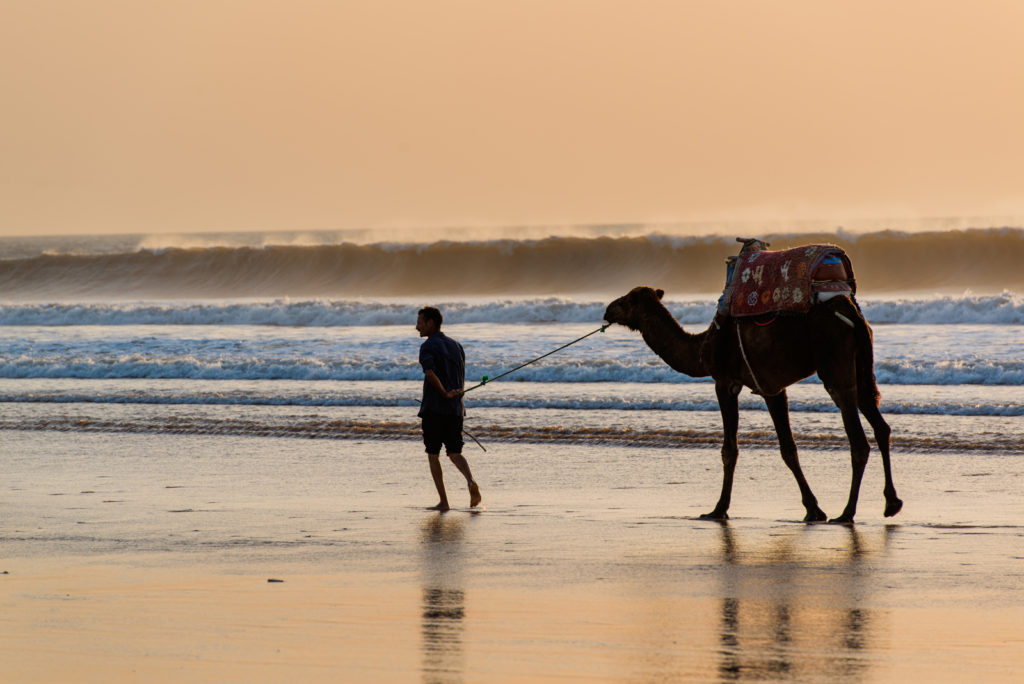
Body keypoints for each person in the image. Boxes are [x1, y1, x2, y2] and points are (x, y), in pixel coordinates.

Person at [416, 306, 482, 511]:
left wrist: (444, 393)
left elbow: (430, 373)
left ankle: (444, 502)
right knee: (454, 452)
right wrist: (456, 394)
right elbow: (460, 376)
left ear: (431, 323)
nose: (416, 326)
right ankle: (471, 481)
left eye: (420, 322)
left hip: (435, 408)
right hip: (455, 409)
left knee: (432, 453)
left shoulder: (427, 347)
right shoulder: (456, 345)